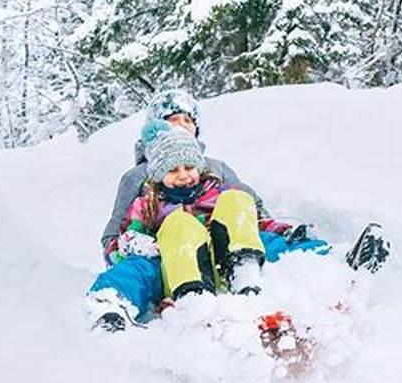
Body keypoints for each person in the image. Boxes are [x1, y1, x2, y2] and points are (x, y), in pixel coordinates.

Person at [86, 123, 330, 332]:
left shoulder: (216, 192)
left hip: (229, 261)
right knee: (151, 255)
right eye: (173, 170)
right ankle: (112, 302)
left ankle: (324, 265)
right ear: (159, 174)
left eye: (189, 167)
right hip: (179, 269)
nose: (183, 176)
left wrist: (285, 232)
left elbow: (256, 225)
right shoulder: (147, 205)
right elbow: (125, 247)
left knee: (239, 202)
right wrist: (140, 245)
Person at [100, 89, 269, 266]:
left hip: (221, 248)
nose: (182, 125)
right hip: (168, 257)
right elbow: (115, 229)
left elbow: (249, 207)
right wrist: (120, 256)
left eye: (188, 120)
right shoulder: (137, 176)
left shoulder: (216, 168)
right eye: (173, 119)